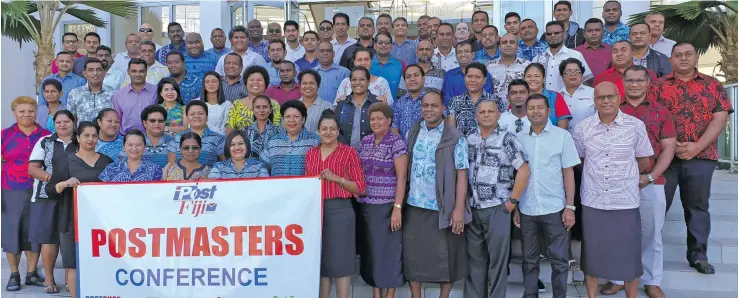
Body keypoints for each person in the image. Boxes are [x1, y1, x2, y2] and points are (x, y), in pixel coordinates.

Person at [650, 42, 734, 275]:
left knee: (697, 207)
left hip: (701, 156)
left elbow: (720, 118)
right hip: (665, 158)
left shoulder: (712, 85)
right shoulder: (657, 87)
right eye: (678, 55)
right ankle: (648, 254)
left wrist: (697, 146)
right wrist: (670, 145)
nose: (683, 59)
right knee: (657, 206)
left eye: (688, 54)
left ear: (696, 57)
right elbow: (651, 117)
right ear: (671, 59)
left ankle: (698, 256)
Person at [600, 65, 677, 298]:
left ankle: (651, 280)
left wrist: (651, 177)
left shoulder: (661, 111)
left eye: (639, 80)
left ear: (648, 83)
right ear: (623, 83)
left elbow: (669, 148)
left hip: (651, 181)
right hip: (616, 183)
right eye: (630, 80)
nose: (634, 84)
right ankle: (617, 278)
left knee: (652, 231)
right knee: (617, 232)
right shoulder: (611, 111)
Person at [573, 81, 653, 298]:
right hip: (593, 200)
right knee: (592, 254)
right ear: (594, 101)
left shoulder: (635, 126)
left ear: (619, 98)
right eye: (601, 98)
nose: (606, 101)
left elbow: (644, 160)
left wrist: (623, 177)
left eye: (610, 96)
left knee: (628, 254)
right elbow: (580, 159)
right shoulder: (582, 129)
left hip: (625, 199)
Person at [403, 91, 469, 298]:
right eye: (425, 105)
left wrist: (458, 209)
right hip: (415, 205)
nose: (429, 110)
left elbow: (462, 175)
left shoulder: (455, 137)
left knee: (445, 259)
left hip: (443, 207)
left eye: (434, 106)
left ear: (443, 109)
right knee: (414, 257)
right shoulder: (413, 132)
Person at [514, 94, 579, 298]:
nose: (536, 111)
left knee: (559, 260)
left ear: (548, 111)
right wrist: (516, 207)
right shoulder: (519, 138)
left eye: (540, 107)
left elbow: (568, 172)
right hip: (527, 208)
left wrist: (570, 207)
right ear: (526, 112)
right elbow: (515, 175)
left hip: (555, 208)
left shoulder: (562, 136)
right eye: (531, 108)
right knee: (529, 259)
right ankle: (530, 294)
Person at [465, 99, 530, 298]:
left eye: (490, 111)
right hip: (473, 207)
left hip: (497, 208)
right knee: (475, 261)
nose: (486, 115)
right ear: (476, 116)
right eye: (482, 112)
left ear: (498, 114)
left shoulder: (507, 139)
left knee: (497, 263)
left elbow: (524, 170)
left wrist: (512, 202)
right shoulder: (470, 138)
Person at [46, 121, 113, 298]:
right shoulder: (66, 161)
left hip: (100, 224)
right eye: (86, 135)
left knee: (101, 263)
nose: (90, 139)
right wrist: (64, 184)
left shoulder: (106, 161)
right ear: (78, 137)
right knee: (74, 264)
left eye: (94, 135)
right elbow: (50, 190)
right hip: (71, 221)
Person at [305, 110, 366, 298]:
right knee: (322, 263)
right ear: (318, 130)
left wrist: (336, 178)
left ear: (338, 131)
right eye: (324, 129)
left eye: (332, 129)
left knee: (340, 263)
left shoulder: (348, 153)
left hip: (340, 210)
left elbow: (360, 187)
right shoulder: (311, 154)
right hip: (317, 211)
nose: (328, 132)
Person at [356, 102, 407, 297]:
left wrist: (397, 208)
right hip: (367, 206)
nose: (375, 122)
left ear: (389, 120)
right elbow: (356, 170)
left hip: (388, 207)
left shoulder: (396, 143)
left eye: (380, 118)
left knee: (391, 251)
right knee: (372, 251)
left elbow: (401, 178)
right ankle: (376, 292)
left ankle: (390, 293)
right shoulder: (365, 142)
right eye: (372, 119)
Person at [1, 97, 49, 292]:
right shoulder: (4, 135)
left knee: (34, 231)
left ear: (36, 111)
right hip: (11, 189)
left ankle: (31, 273)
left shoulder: (45, 135)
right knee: (13, 232)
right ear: (14, 112)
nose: (26, 114)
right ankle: (14, 274)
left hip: (39, 189)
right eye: (22, 111)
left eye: (30, 111)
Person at [260, 100, 320, 176]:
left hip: (305, 187)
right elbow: (263, 166)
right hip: (278, 187)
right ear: (283, 119)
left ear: (303, 119)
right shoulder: (273, 142)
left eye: (296, 116)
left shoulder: (315, 141)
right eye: (287, 116)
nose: (291, 120)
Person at [532, 21, 594, 92]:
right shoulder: (537, 58)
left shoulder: (575, 55)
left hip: (568, 101)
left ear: (564, 34)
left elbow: (586, 81)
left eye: (556, 33)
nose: (552, 35)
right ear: (545, 36)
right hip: (543, 101)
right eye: (549, 34)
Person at [447, 62, 506, 136]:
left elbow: (502, 128)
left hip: (490, 146)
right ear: (464, 78)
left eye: (477, 77)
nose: (473, 80)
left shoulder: (495, 100)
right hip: (462, 146)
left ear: (484, 80)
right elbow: (451, 131)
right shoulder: (455, 101)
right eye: (469, 76)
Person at [167, 100, 226, 168]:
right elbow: (171, 167)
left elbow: (226, 165)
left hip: (209, 177)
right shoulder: (176, 138)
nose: (196, 116)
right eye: (192, 114)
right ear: (187, 118)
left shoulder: (219, 139)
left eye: (200, 113)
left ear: (207, 117)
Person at [225, 65, 282, 132]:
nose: (255, 82)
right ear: (246, 83)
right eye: (251, 80)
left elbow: (277, 129)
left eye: (259, 80)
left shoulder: (273, 104)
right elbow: (229, 128)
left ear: (266, 83)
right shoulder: (237, 104)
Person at [335, 67, 381, 147]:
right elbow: (336, 129)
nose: (357, 83)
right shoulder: (342, 103)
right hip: (345, 154)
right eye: (354, 79)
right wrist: (346, 151)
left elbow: (382, 131)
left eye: (362, 79)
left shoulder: (377, 103)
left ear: (368, 82)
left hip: (371, 153)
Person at [99, 129, 163, 181]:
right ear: (124, 147)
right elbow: (104, 192)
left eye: (138, 145)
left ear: (145, 147)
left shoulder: (155, 169)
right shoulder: (111, 168)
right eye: (130, 145)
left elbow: (158, 193)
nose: (134, 148)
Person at [113, 58, 157, 134]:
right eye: (134, 71)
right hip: (126, 138)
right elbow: (116, 120)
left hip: (151, 138)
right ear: (128, 72)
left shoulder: (156, 91)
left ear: (146, 72)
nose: (138, 74)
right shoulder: (119, 95)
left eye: (141, 71)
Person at [522, 63, 573, 129]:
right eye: (529, 76)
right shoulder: (519, 98)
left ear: (544, 78)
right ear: (524, 78)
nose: (532, 79)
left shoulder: (555, 97)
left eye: (537, 76)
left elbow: (563, 129)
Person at [67, 58, 116, 123]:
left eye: (99, 70)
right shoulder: (75, 94)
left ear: (104, 73)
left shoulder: (113, 93)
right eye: (90, 70)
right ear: (84, 74)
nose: (95, 73)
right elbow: (70, 119)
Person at [487, 33, 530, 104]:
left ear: (517, 47)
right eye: (504, 42)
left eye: (512, 42)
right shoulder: (489, 66)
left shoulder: (527, 65)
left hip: (521, 110)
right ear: (499, 47)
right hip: (495, 111)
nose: (508, 45)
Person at [559, 58, 596, 130]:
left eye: (577, 71)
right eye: (568, 71)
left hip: (588, 138)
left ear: (582, 75)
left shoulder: (593, 93)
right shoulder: (557, 96)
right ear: (562, 76)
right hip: (564, 139)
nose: (573, 74)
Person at [391, 65, 425, 139]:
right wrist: (403, 148)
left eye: (416, 75)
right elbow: (394, 130)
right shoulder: (397, 104)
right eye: (408, 77)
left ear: (423, 78)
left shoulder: (432, 101)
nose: (412, 79)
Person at [137, 105, 175, 169]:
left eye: (160, 121)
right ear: (145, 123)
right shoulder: (135, 142)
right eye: (152, 120)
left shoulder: (174, 142)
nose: (157, 123)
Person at [371, 32, 405, 101]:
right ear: (374, 45)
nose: (383, 45)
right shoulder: (367, 64)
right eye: (380, 43)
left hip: (394, 108)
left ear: (391, 46)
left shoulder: (400, 64)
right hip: (370, 108)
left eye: (387, 43)